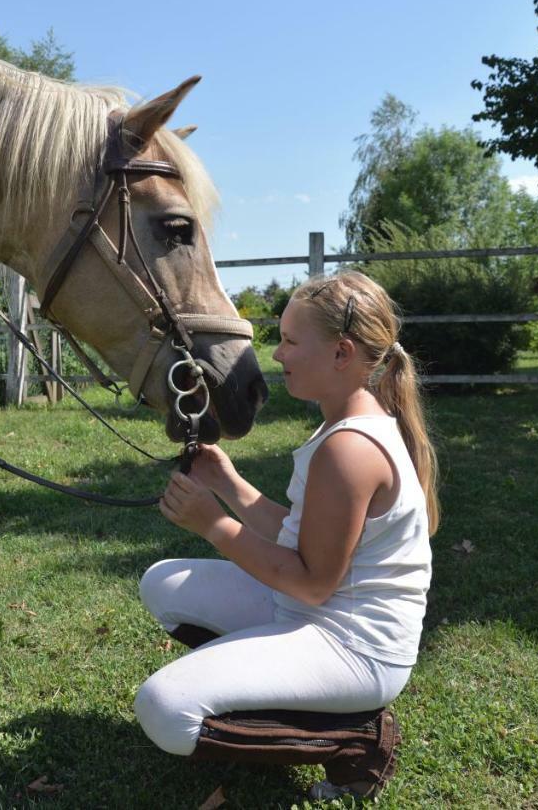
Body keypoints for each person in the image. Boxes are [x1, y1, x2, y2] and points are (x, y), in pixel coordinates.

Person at [136, 270, 438, 801]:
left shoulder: (350, 449)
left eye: (291, 340)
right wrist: (228, 484)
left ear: (342, 353)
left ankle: (355, 740)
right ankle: (276, 692)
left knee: (164, 709)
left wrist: (214, 523)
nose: (277, 355)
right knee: (163, 582)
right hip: (315, 614)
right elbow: (301, 537)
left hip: (356, 647)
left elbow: (312, 581)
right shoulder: (343, 423)